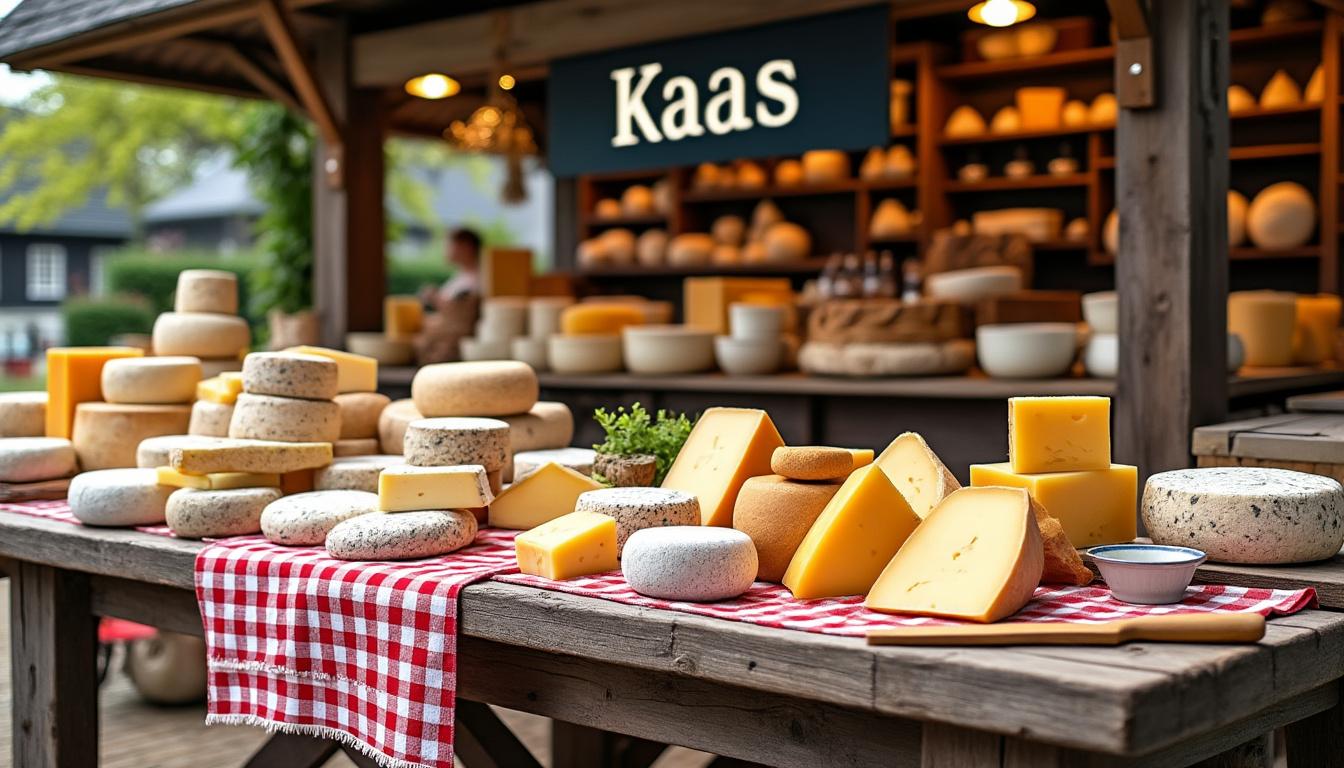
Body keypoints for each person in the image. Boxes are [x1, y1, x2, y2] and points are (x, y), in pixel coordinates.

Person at [423, 227, 482, 305]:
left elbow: (463, 312)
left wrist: (435, 298)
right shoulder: (462, 275)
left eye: (449, 245)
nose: (444, 251)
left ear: (467, 247)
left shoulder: (480, 278)